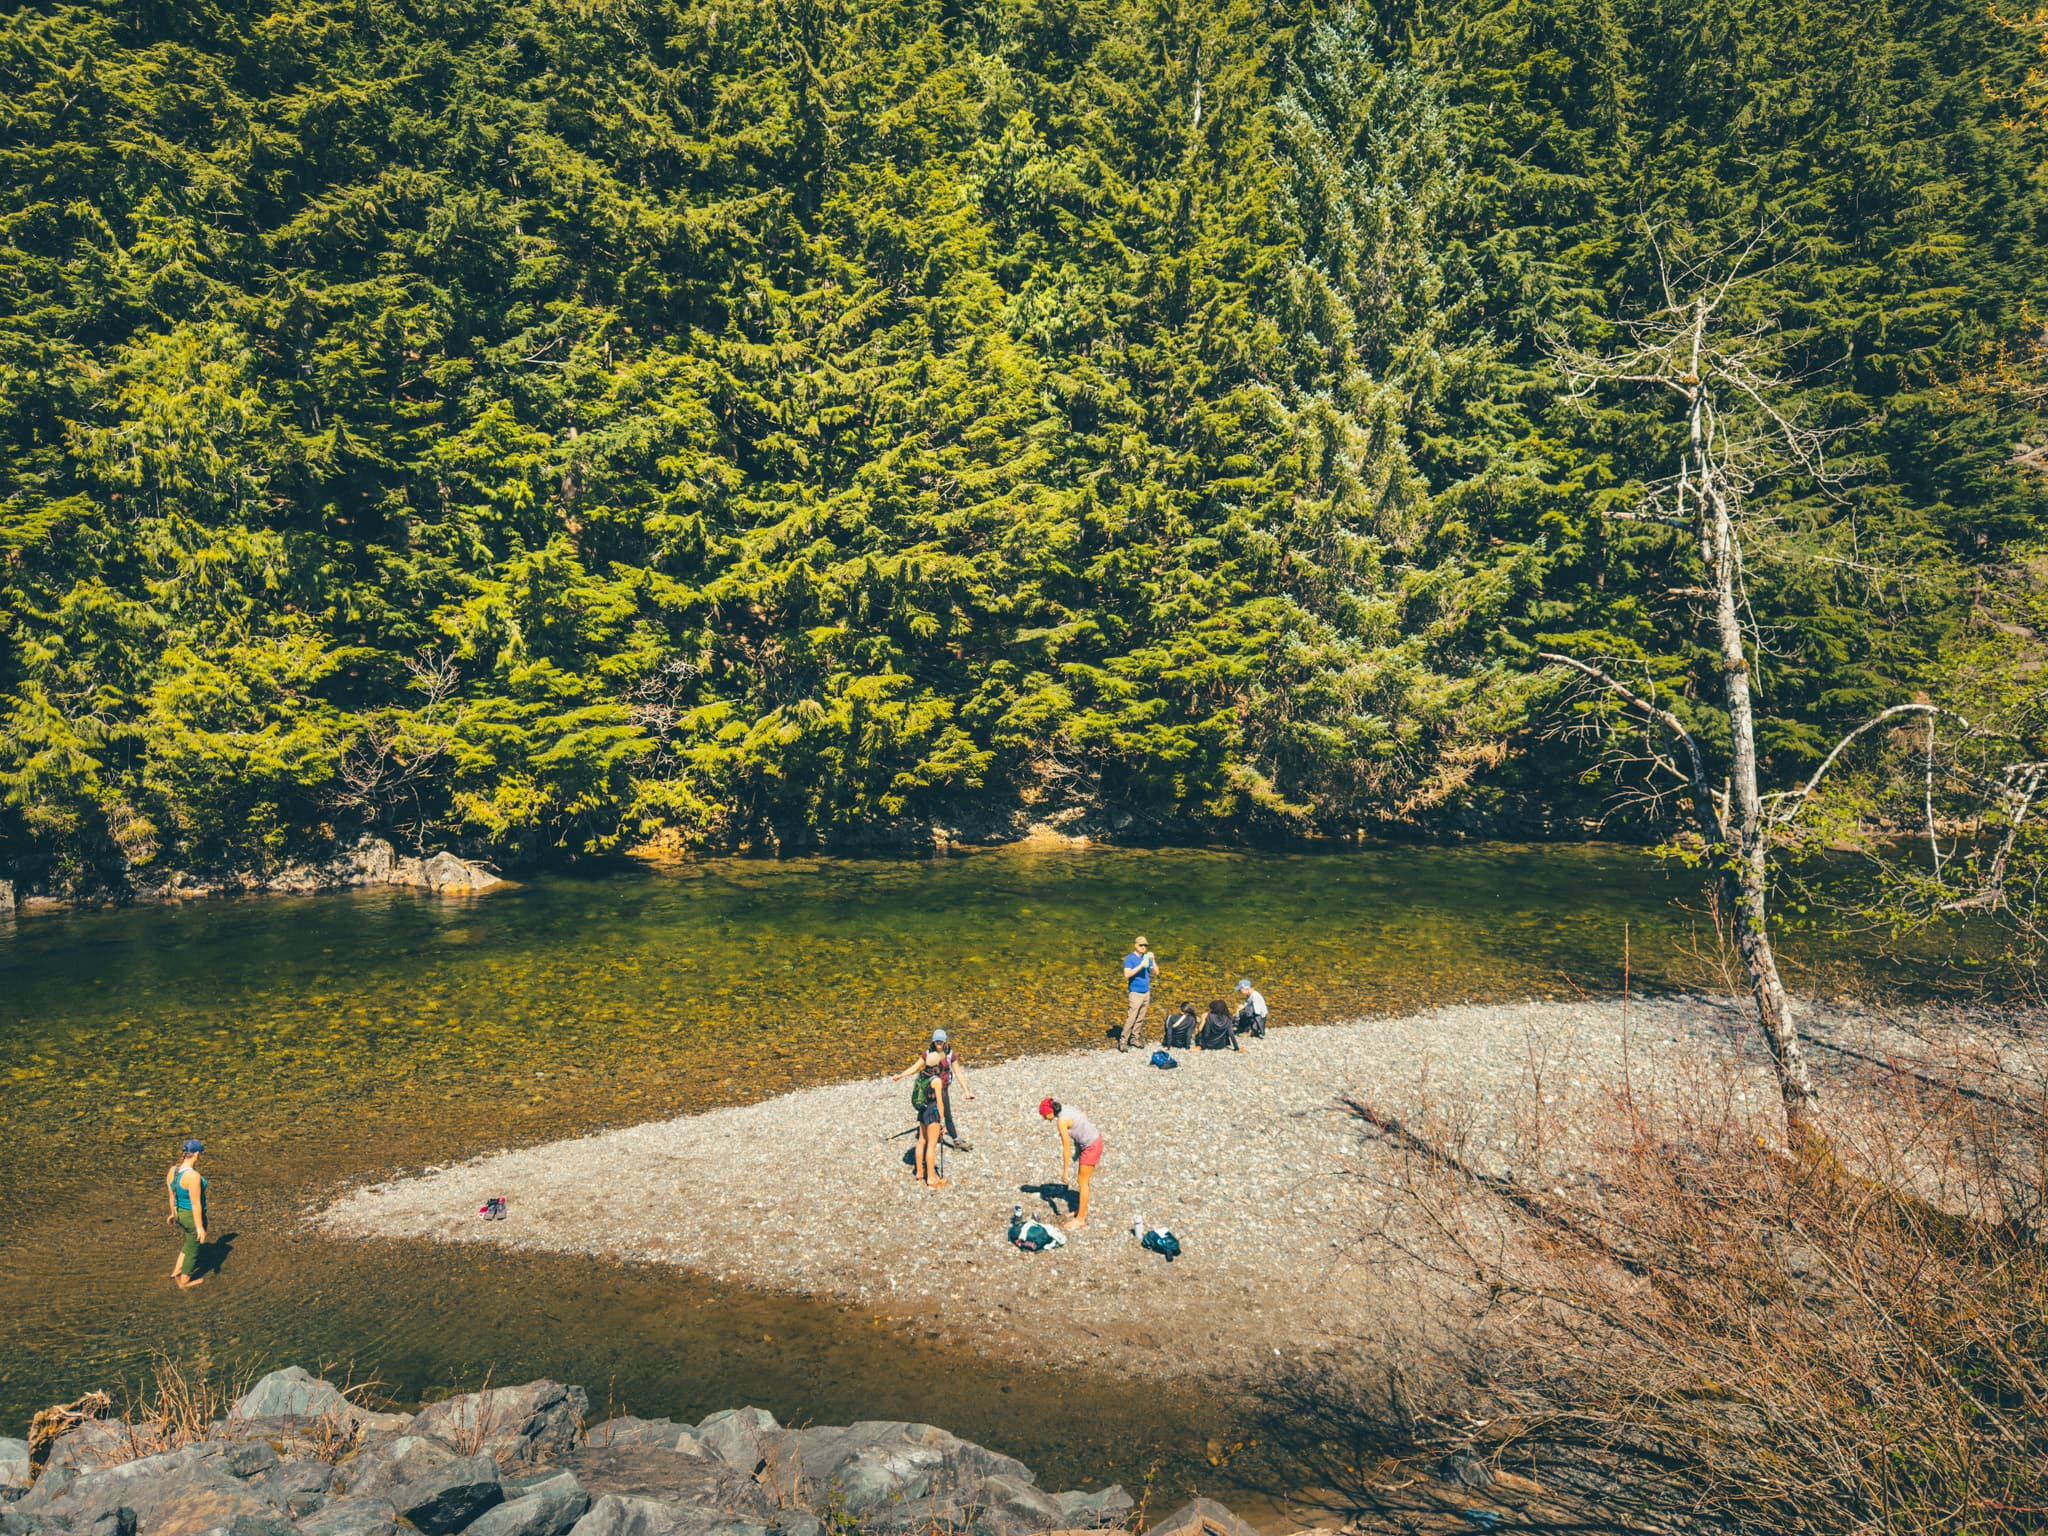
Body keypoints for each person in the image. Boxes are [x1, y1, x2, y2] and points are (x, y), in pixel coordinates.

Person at [1039, 1097, 1104, 1229]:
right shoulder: (1066, 1108)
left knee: (1083, 1181)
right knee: (1083, 1180)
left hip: (1091, 1146)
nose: (1045, 1119)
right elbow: (1082, 1118)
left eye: (1045, 1115)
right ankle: (1081, 1210)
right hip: (1094, 1140)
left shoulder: (1062, 1122)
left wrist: (1065, 1172)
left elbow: (1066, 1148)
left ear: (1050, 1111)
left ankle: (1080, 1219)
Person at [165, 1138, 209, 1289]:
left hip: (179, 1213)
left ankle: (176, 1271)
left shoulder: (173, 1170)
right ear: (197, 1154)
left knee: (188, 1243)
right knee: (194, 1248)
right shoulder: (193, 1176)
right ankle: (184, 1281)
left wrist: (172, 1214)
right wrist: (200, 1227)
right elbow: (196, 1203)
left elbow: (172, 1195)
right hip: (191, 1216)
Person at [1120, 936, 1159, 1051]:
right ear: (1136, 945)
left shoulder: (1146, 958)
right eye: (1141, 945)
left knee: (1140, 1017)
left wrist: (1153, 960)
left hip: (1146, 991)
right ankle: (1123, 1041)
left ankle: (1134, 1038)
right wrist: (1141, 965)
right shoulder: (1129, 958)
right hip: (1135, 992)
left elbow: (1156, 972)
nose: (1143, 947)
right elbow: (1127, 975)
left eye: (1145, 945)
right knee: (1131, 1018)